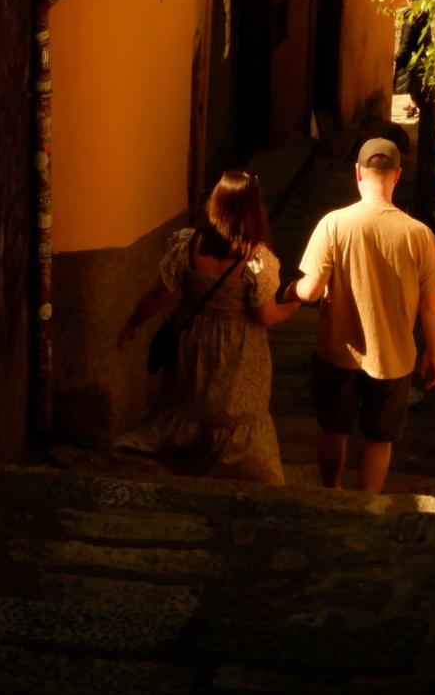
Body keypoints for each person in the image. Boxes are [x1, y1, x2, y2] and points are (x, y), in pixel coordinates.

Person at [281, 137, 435, 493]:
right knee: (379, 438)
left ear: (357, 173)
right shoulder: (419, 234)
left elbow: (310, 291)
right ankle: (367, 505)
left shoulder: (334, 224)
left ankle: (332, 494)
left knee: (333, 429)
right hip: (394, 357)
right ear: (398, 175)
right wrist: (433, 353)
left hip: (337, 351)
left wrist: (288, 291)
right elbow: (431, 303)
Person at [112, 171, 298, 484]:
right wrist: (293, 304)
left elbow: (159, 294)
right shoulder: (257, 260)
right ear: (253, 210)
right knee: (235, 411)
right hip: (239, 347)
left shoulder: (189, 244)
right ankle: (233, 472)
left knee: (191, 403)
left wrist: (132, 324)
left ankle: (190, 466)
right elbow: (265, 316)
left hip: (193, 339)